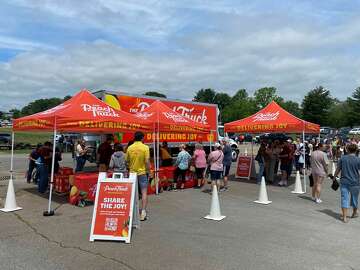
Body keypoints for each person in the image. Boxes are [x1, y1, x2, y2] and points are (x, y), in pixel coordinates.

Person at [126, 131, 150, 221]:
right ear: (142, 138)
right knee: (144, 192)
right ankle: (143, 212)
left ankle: (130, 212)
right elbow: (147, 161)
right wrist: (149, 171)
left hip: (132, 173)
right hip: (142, 173)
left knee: (132, 192)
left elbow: (127, 161)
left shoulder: (129, 148)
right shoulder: (145, 147)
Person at [334, 143, 360, 223]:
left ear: (347, 150)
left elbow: (338, 169)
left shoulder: (343, 158)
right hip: (355, 182)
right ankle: (355, 211)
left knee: (344, 199)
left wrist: (334, 177)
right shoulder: (358, 159)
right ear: (356, 150)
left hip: (344, 181)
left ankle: (345, 217)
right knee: (354, 198)